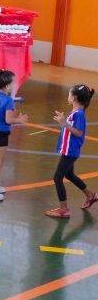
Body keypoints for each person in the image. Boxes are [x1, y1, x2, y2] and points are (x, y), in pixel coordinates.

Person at [46, 85, 97, 218]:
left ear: (73, 98)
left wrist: (65, 124)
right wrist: (65, 122)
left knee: (57, 178)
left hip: (71, 151)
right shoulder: (75, 112)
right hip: (68, 150)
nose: (68, 97)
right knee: (69, 175)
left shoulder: (79, 114)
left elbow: (79, 133)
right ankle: (90, 195)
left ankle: (64, 209)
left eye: (69, 95)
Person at [0, 70, 28, 203]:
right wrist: (20, 120)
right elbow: (8, 120)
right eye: (13, 82)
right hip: (1, 134)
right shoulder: (8, 100)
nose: (15, 84)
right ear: (7, 85)